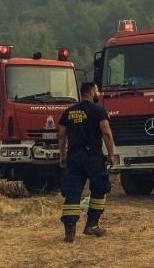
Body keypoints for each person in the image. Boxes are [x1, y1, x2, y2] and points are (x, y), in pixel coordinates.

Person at [59, 81, 116, 242]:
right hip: (93, 157)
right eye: (97, 90)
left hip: (74, 156)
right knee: (100, 187)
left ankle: (69, 231)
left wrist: (62, 155)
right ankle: (92, 225)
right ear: (91, 92)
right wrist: (111, 155)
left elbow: (62, 135)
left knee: (72, 191)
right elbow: (107, 133)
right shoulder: (98, 111)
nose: (99, 93)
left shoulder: (69, 111)